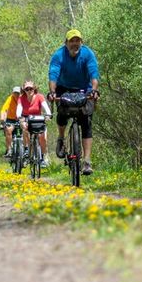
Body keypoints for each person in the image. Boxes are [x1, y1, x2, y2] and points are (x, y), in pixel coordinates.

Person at [48, 29, 99, 176]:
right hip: (63, 88)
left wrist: (94, 90)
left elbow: (94, 73)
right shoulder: (58, 55)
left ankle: (87, 161)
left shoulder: (87, 54)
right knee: (62, 115)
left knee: (86, 122)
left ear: (81, 42)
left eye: (77, 41)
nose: (75, 44)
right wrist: (52, 92)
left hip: (84, 89)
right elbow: (53, 74)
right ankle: (61, 138)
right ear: (66, 43)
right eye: (72, 41)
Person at [17, 80, 51, 167]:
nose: (29, 91)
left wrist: (48, 115)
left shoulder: (40, 97)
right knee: (25, 128)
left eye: (31, 88)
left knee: (43, 137)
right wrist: (20, 118)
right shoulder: (21, 98)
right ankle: (27, 150)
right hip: (26, 118)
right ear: (24, 90)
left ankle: (43, 157)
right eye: (27, 89)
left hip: (38, 119)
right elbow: (19, 109)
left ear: (34, 88)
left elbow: (46, 107)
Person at [0, 86, 22, 158]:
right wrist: (2, 119)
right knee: (8, 131)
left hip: (21, 118)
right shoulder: (10, 98)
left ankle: (25, 150)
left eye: (18, 93)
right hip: (10, 119)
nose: (17, 95)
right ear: (13, 93)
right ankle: (9, 149)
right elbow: (3, 109)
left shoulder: (23, 99)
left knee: (25, 132)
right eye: (15, 93)